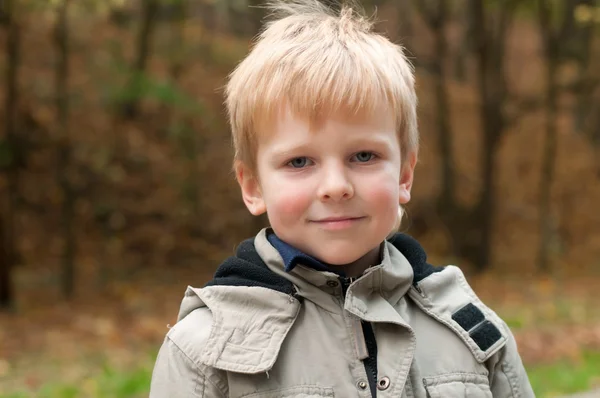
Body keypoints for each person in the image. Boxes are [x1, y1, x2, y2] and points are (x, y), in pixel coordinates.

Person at [149, 0, 534, 396]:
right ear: (252, 186)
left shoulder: (474, 334)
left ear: (405, 173)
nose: (336, 186)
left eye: (363, 156)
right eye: (299, 161)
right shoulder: (203, 351)